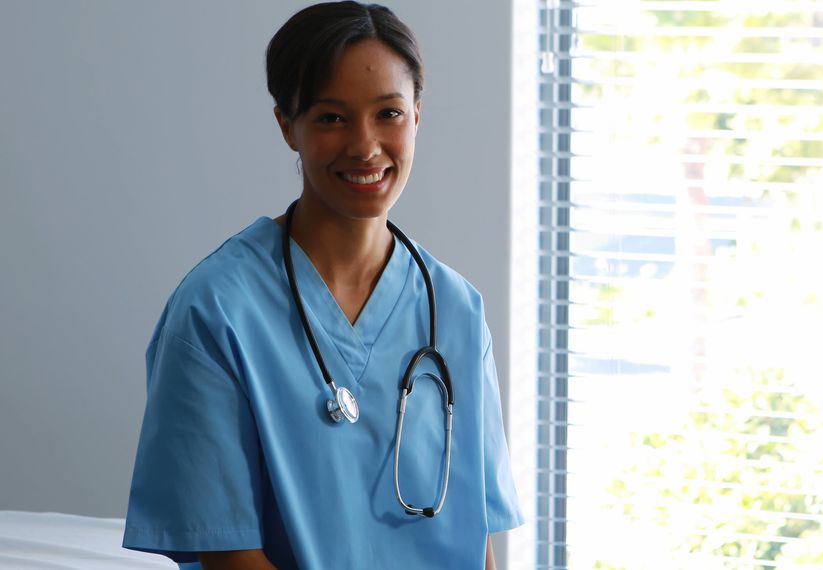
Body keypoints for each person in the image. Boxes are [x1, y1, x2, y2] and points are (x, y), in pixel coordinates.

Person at [121, 3, 523, 568]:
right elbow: (226, 553)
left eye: (389, 113)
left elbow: (474, 537)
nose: (365, 146)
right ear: (288, 125)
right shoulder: (217, 311)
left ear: (417, 117)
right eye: (332, 118)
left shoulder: (454, 309)